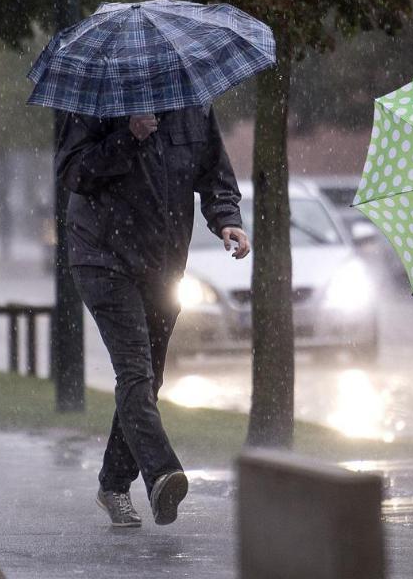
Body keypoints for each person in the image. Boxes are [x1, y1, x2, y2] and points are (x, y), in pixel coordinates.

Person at [55, 107, 249, 527]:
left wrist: (227, 220)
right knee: (136, 373)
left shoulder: (195, 107)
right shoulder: (98, 100)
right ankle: (162, 475)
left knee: (147, 380)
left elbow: (214, 172)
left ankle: (112, 485)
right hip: (102, 257)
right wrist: (127, 135)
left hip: (162, 264)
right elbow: (73, 172)